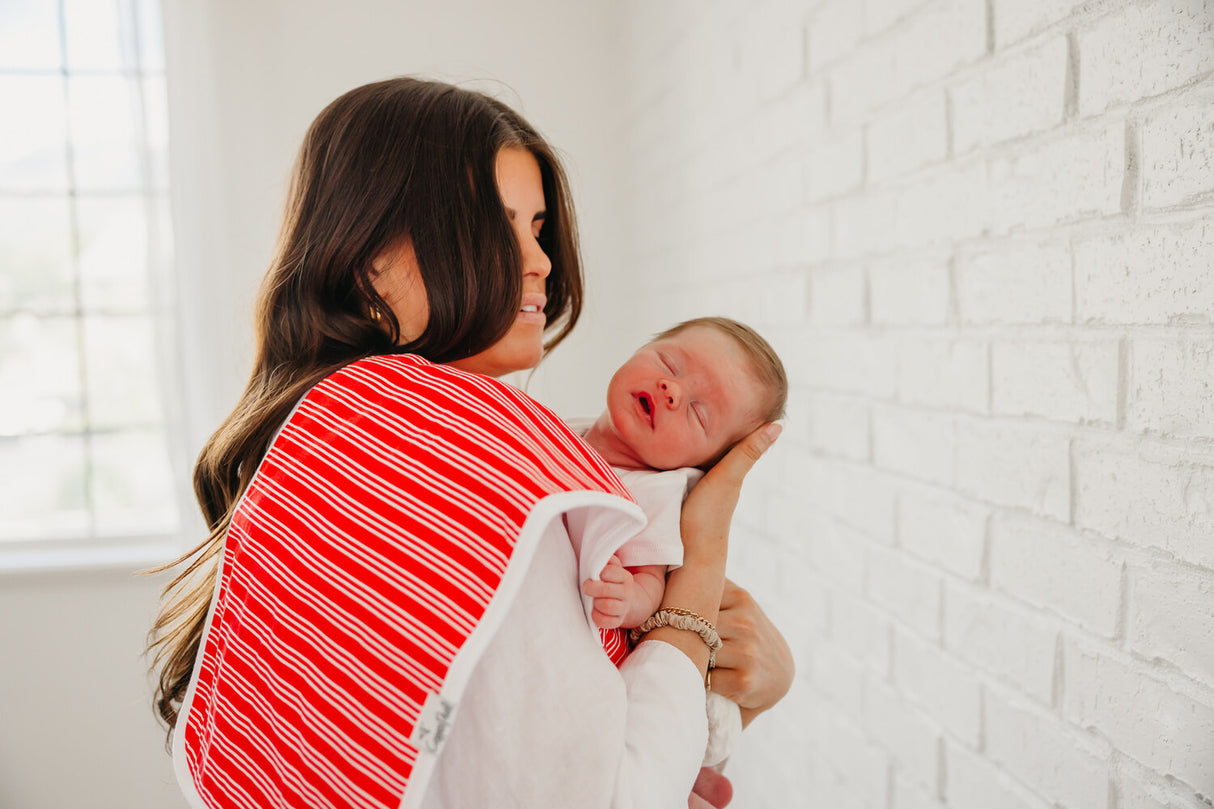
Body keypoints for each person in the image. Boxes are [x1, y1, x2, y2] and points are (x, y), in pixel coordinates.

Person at [146, 77, 794, 809]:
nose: (540, 261)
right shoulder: (497, 474)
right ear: (370, 258)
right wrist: (701, 568)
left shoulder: (319, 430)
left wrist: (712, 659)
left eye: (537, 227)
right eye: (496, 226)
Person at [574, 316, 787, 768]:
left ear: (703, 465)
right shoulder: (565, 429)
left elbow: (652, 582)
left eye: (698, 413)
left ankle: (705, 749)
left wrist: (629, 598)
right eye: (669, 362)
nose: (672, 390)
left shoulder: (657, 491)